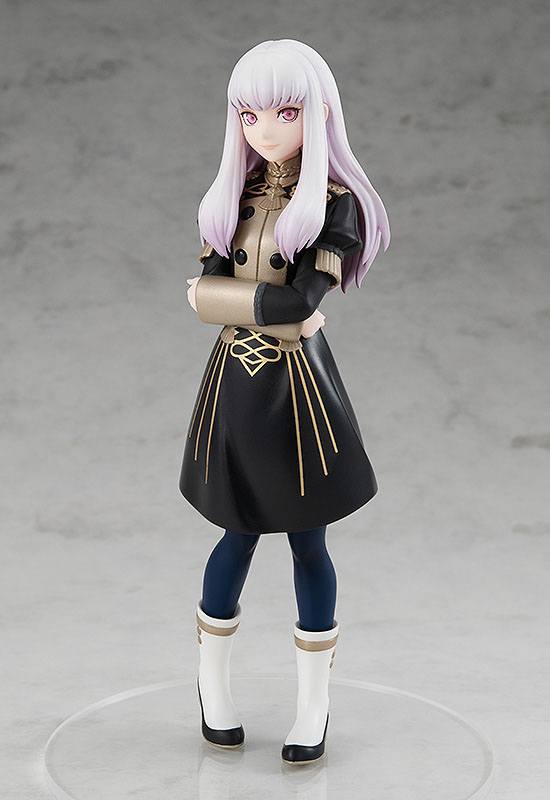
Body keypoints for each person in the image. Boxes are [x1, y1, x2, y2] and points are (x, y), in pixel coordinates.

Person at [180, 38, 390, 764]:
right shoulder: (233, 197)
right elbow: (248, 300)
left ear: (319, 113)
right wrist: (261, 306)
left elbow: (298, 300)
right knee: (235, 532)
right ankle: (212, 690)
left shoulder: (335, 206)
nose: (265, 130)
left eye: (285, 112)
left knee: (307, 538)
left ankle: (313, 708)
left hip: (297, 393)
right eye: (249, 115)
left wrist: (222, 300)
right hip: (234, 387)